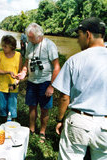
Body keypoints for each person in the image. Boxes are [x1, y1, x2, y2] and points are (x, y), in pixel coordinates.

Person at [52, 17, 107, 159]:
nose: (77, 40)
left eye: (79, 35)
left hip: (79, 122)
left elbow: (64, 97)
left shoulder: (75, 60)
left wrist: (59, 120)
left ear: (87, 34)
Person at [16, 23, 60, 143]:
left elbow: (56, 67)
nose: (29, 40)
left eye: (31, 38)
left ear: (39, 36)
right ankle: (31, 129)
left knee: (44, 108)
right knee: (32, 107)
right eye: (28, 37)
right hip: (31, 81)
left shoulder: (49, 45)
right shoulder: (29, 44)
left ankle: (42, 132)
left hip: (45, 82)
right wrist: (24, 72)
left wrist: (52, 86)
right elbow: (27, 61)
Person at [0, 35, 22, 122]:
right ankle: (3, 123)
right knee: (3, 107)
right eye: (2, 45)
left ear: (12, 46)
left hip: (13, 85)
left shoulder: (18, 55)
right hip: (2, 85)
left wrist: (16, 82)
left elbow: (20, 73)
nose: (3, 48)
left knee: (12, 107)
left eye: (5, 46)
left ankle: (11, 124)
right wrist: (9, 72)